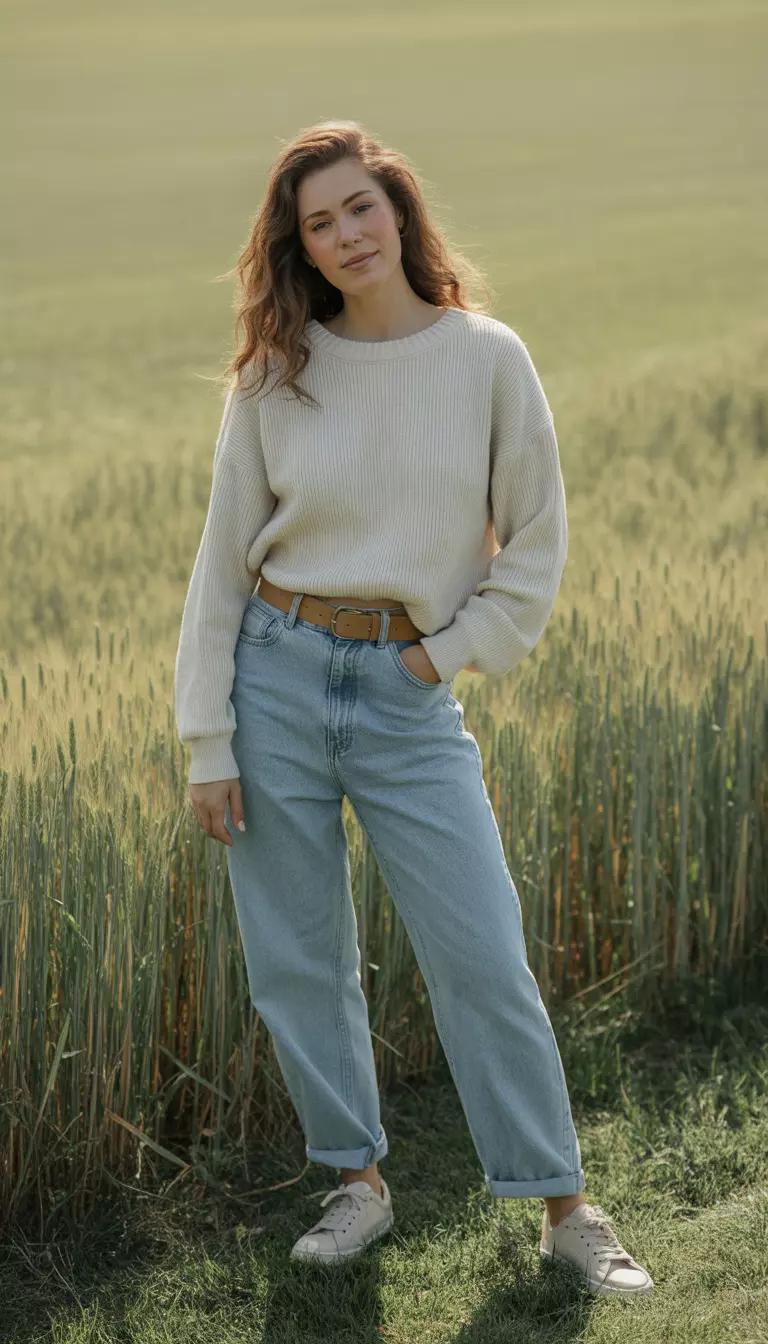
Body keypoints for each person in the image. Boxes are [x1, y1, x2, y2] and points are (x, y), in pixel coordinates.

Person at [174, 119, 653, 1297]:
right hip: (273, 673)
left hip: (405, 686)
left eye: (359, 208)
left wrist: (444, 659)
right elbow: (220, 567)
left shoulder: (487, 358)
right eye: (317, 223)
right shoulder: (274, 378)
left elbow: (534, 543)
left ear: (399, 211)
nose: (344, 236)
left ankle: (565, 1209)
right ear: (299, 247)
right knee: (297, 958)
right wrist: (208, 737)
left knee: (483, 953)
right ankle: (356, 1185)